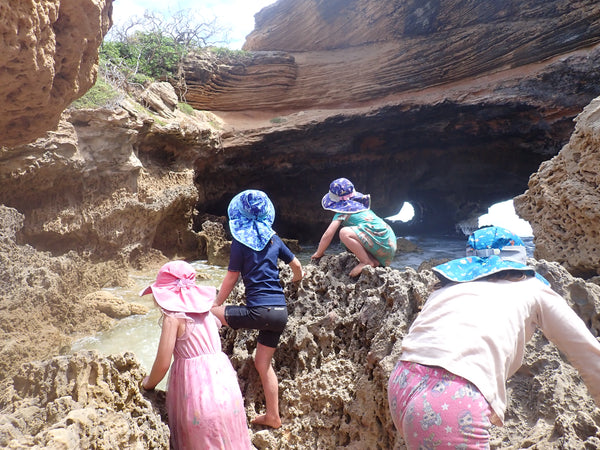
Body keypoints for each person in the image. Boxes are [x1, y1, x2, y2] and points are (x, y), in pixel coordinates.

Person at [387, 226, 600, 449]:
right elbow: (588, 355)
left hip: (403, 380)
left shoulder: (446, 288)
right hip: (453, 395)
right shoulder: (532, 289)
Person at [211, 189, 303, 429]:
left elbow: (231, 278)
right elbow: (297, 265)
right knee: (263, 363)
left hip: (258, 313)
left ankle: (208, 380)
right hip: (280, 313)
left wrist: (217, 304)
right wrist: (296, 280)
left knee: (210, 313)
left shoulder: (240, 244)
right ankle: (273, 416)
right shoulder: (275, 239)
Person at [140, 260, 251, 450]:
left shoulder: (173, 318)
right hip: (227, 389)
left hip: (197, 397)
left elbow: (163, 363)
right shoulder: (207, 312)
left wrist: (148, 383)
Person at [311, 177, 397, 277]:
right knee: (346, 240)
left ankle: (366, 261)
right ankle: (373, 261)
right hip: (389, 242)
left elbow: (328, 235)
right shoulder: (360, 207)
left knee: (344, 233)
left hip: (379, 240)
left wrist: (319, 253)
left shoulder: (341, 213)